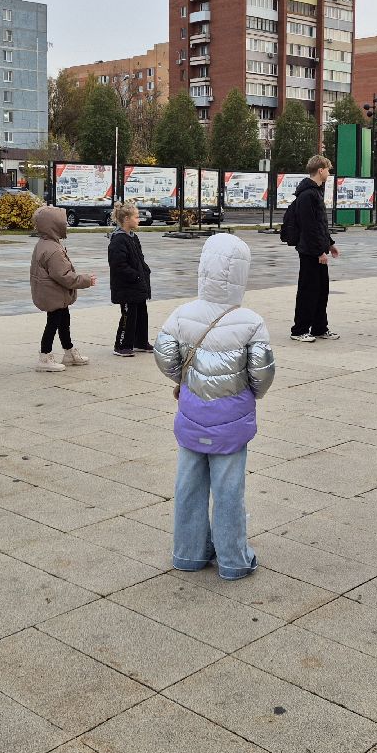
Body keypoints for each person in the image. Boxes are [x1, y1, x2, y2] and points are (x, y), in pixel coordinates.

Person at [154, 233, 274, 580]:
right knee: (229, 489)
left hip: (193, 413)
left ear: (203, 269)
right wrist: (250, 393)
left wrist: (185, 380)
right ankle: (233, 559)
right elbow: (262, 373)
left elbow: (164, 357)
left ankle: (188, 552)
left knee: (188, 484)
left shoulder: (181, 314)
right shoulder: (251, 321)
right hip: (231, 419)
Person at [30, 204, 96, 372]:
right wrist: (86, 280)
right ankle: (44, 356)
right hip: (53, 294)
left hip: (52, 293)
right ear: (53, 225)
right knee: (53, 323)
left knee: (63, 321)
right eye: (63, 222)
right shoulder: (53, 249)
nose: (66, 225)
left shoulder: (46, 243)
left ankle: (68, 351)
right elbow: (64, 275)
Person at [289, 155, 339, 342]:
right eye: (328, 169)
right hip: (310, 252)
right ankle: (299, 329)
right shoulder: (308, 195)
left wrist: (330, 243)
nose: (328, 172)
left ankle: (319, 327)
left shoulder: (315, 192)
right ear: (320, 170)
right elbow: (309, 227)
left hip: (317, 249)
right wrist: (320, 251)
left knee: (321, 290)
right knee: (308, 290)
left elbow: (320, 224)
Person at [109, 202, 153, 356]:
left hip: (138, 286)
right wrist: (136, 275)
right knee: (128, 316)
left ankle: (140, 342)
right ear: (126, 219)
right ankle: (121, 345)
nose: (139, 219)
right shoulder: (118, 240)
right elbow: (118, 265)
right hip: (126, 287)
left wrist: (145, 271)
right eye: (136, 217)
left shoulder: (133, 237)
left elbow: (139, 259)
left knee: (141, 314)